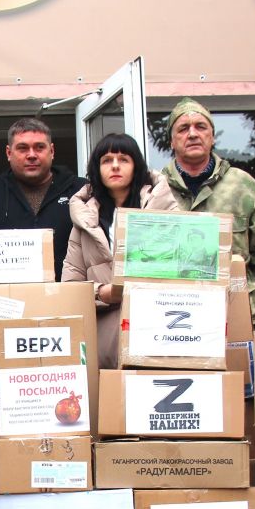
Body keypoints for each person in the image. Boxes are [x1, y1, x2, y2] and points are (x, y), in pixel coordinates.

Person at [162, 98, 255, 330]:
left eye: (200, 127)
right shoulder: (156, 189)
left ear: (212, 137)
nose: (192, 134)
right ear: (171, 141)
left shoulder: (244, 186)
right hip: (174, 316)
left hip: (239, 312)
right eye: (183, 128)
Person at [62, 132, 178, 369]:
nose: (115, 166)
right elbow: (70, 287)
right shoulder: (84, 222)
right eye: (107, 160)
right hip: (104, 341)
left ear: (136, 166)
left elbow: (187, 272)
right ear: (97, 168)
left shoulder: (166, 211)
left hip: (161, 332)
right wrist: (101, 293)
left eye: (124, 159)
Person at [0, 117, 86, 279]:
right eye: (22, 148)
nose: (31, 155)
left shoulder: (81, 191)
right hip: (4, 294)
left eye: (39, 147)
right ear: (9, 153)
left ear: (52, 151)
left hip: (69, 292)